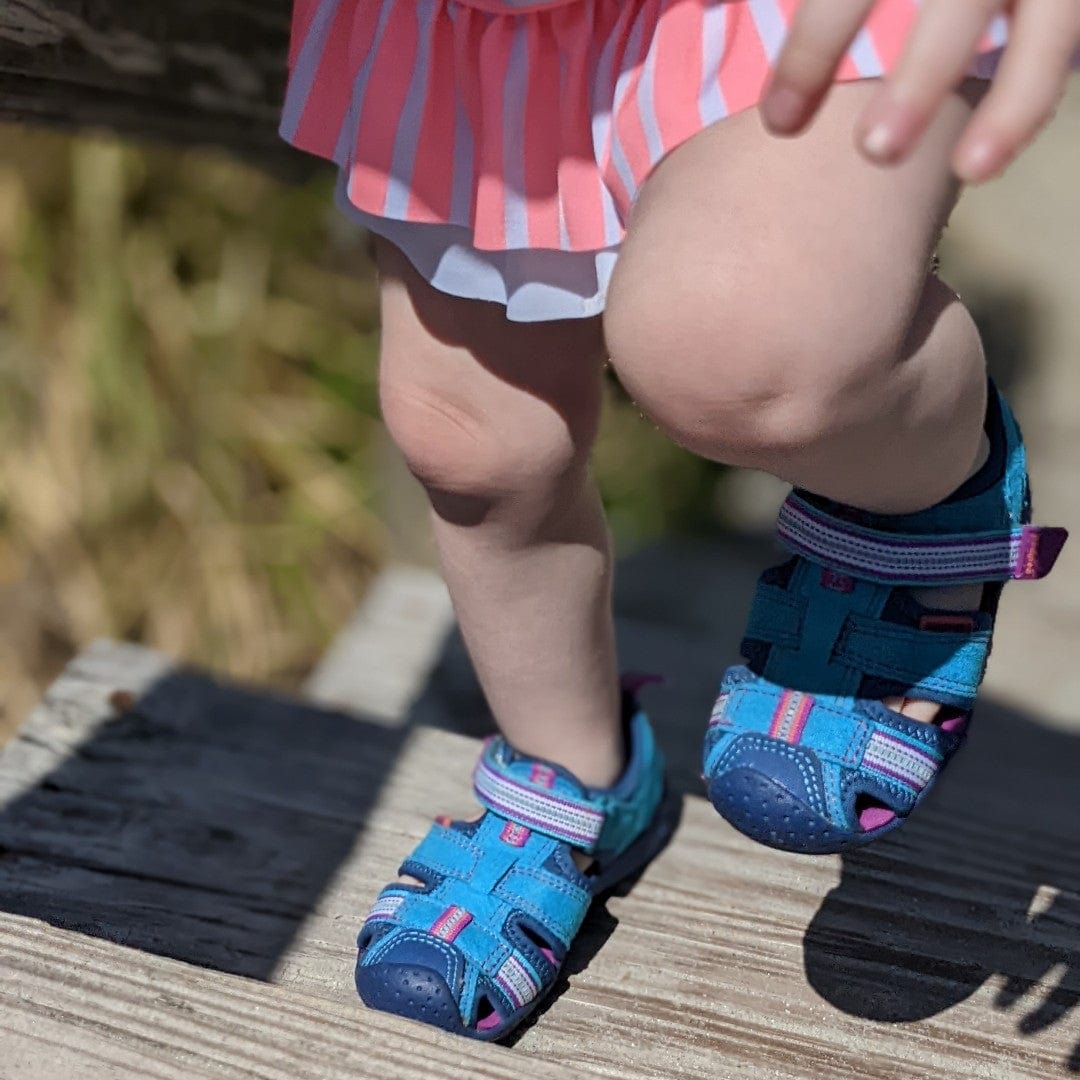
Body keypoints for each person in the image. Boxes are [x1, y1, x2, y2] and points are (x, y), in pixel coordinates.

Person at [281, 0, 1078, 1041]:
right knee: (470, 442)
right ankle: (577, 768)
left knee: (744, 345)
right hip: (470, 34)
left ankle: (926, 482)